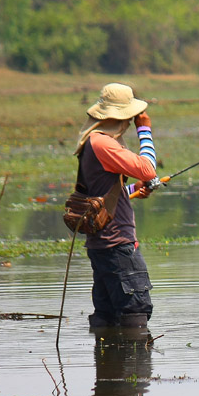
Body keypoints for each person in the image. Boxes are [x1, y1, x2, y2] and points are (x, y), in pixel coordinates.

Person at [74, 83, 159, 330]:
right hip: (117, 246)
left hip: (102, 247)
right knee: (135, 309)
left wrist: (132, 190)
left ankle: (109, 367)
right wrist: (144, 130)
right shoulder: (103, 144)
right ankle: (135, 368)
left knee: (107, 316)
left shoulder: (92, 143)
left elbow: (101, 194)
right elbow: (148, 169)